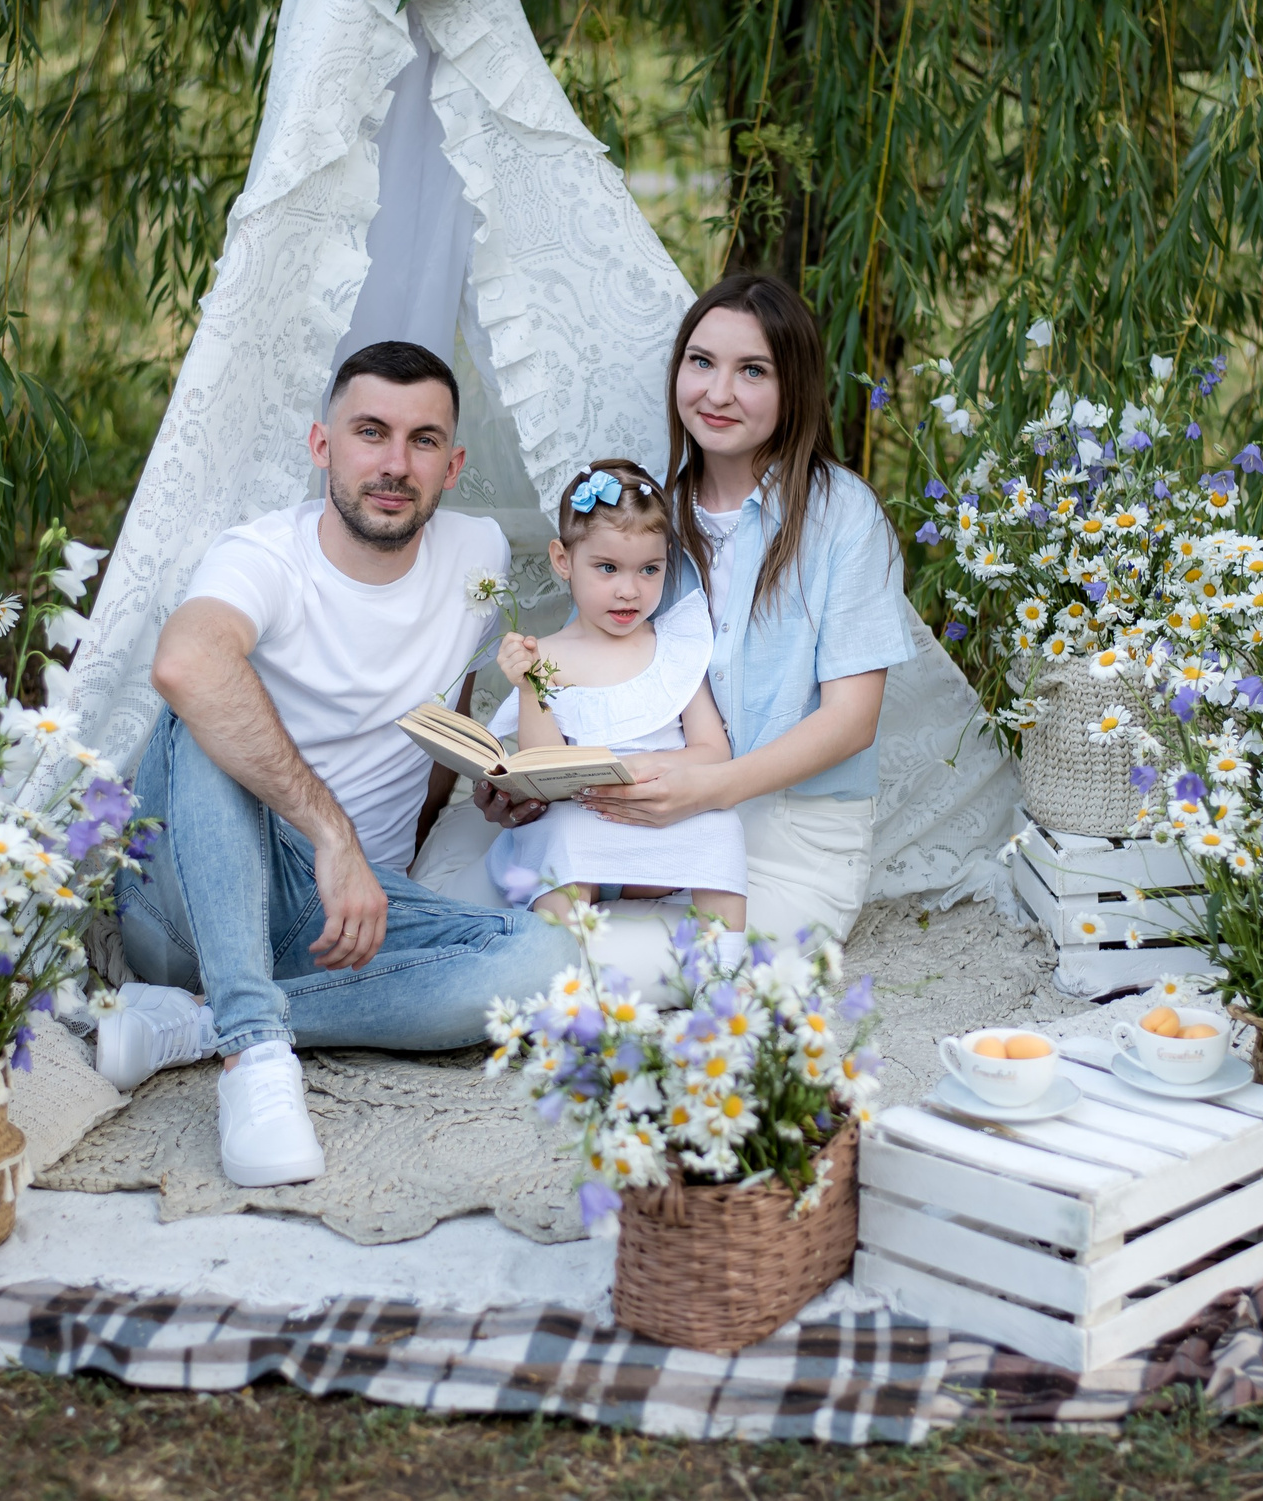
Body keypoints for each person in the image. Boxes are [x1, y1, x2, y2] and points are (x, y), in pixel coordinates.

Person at [101, 340, 576, 1188]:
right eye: (370, 432)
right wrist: (333, 835)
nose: (395, 464)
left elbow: (446, 708)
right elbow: (185, 661)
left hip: (346, 925)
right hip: (194, 901)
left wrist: (489, 783)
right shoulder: (262, 556)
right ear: (323, 445)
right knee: (203, 702)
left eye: (423, 440)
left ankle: (199, 1023)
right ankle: (253, 1052)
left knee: (551, 963)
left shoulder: (478, 554)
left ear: (453, 464)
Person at [472, 273, 914, 941]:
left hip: (785, 831)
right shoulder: (649, 513)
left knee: (569, 966)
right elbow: (586, 670)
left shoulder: (842, 514)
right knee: (468, 908)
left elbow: (852, 721)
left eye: (753, 370)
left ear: (793, 387)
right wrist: (526, 782)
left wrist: (709, 789)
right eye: (701, 361)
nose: (718, 392)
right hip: (639, 812)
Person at [486, 458, 749, 928]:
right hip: (586, 821)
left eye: (649, 569)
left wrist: (643, 769)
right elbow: (541, 766)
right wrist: (529, 689)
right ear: (563, 561)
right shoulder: (545, 656)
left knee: (721, 827)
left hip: (661, 817)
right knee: (563, 835)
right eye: (607, 568)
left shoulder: (674, 649)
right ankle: (563, 957)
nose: (629, 590)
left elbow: (714, 751)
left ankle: (723, 962)